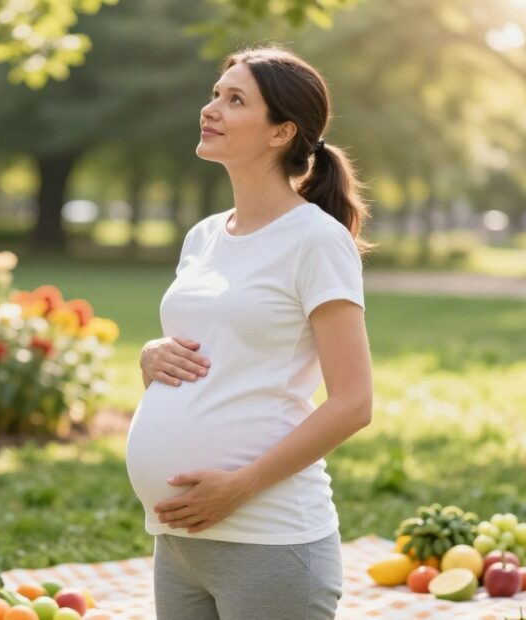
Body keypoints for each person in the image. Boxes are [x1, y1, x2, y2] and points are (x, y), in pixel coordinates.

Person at [124, 45, 373, 619]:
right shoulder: (205, 236)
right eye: (216, 94)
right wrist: (150, 357)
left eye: (235, 100)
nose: (211, 108)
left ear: (281, 132)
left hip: (270, 539)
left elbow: (354, 403)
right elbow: (218, 347)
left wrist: (240, 486)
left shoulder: (316, 240)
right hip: (179, 541)